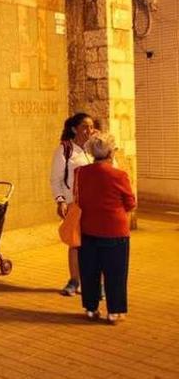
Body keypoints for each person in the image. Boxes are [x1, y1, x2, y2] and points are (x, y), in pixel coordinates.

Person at [75, 133, 136, 324]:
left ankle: (91, 309)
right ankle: (114, 312)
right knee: (115, 272)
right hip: (115, 231)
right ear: (110, 152)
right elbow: (130, 203)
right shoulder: (119, 175)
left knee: (89, 271)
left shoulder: (81, 173)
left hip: (87, 229)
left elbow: (78, 198)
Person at [50, 112, 95, 296]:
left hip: (95, 204)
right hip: (74, 203)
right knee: (75, 243)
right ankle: (74, 281)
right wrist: (60, 200)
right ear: (74, 128)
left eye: (91, 126)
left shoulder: (95, 149)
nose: (89, 130)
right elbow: (55, 179)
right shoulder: (65, 149)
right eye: (85, 126)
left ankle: (93, 283)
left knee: (94, 244)